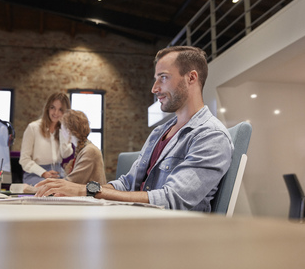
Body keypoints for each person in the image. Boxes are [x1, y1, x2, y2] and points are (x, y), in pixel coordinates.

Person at [35, 46, 234, 212]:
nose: (154, 88)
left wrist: (86, 191)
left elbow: (172, 199)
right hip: (139, 222)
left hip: (171, 238)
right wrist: (85, 190)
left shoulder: (211, 136)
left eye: (163, 77)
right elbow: (127, 183)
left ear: (191, 78)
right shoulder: (159, 133)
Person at [19, 92, 73, 185]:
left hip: (58, 173)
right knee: (49, 188)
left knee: (72, 188)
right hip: (36, 174)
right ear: (47, 108)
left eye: (60, 110)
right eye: (53, 108)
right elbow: (24, 160)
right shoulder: (33, 128)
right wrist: (43, 173)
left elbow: (65, 154)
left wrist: (63, 130)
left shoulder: (64, 130)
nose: (56, 113)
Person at [60, 109, 106, 185]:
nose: (61, 132)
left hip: (91, 196)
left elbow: (71, 183)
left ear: (68, 131)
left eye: (62, 129)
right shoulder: (83, 149)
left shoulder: (90, 151)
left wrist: (36, 189)